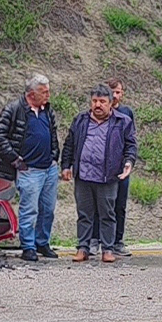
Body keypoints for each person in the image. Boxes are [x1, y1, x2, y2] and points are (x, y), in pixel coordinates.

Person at [60, 85, 138, 263]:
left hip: (108, 177)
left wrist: (128, 162)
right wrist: (66, 166)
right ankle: (83, 248)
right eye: (95, 101)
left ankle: (108, 249)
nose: (98, 105)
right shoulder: (80, 120)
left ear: (111, 103)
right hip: (83, 176)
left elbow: (131, 145)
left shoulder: (122, 121)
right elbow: (69, 144)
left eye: (102, 101)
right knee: (84, 214)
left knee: (107, 213)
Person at [0, 74, 61, 262]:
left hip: (49, 169)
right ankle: (28, 246)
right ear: (31, 94)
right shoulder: (14, 109)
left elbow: (53, 134)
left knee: (48, 210)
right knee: (29, 210)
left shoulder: (47, 110)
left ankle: (42, 243)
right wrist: (14, 159)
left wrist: (54, 155)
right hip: (29, 170)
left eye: (48, 91)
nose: (48, 95)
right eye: (44, 92)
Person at [106, 78, 135, 256]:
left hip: (121, 167)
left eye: (118, 92)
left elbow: (131, 140)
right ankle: (96, 240)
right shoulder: (100, 112)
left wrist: (129, 161)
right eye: (112, 92)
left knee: (120, 205)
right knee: (101, 205)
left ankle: (118, 241)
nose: (115, 95)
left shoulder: (127, 113)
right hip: (103, 168)